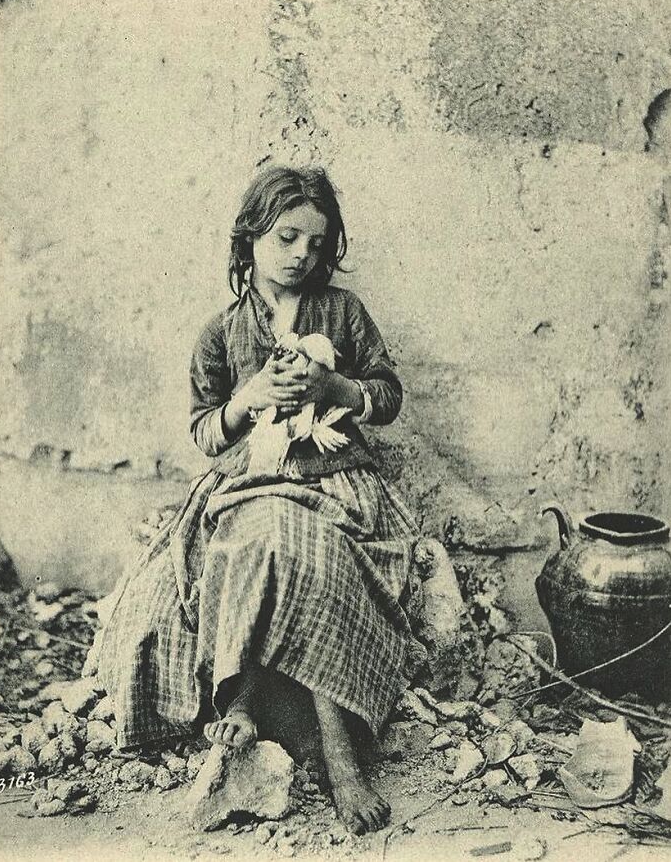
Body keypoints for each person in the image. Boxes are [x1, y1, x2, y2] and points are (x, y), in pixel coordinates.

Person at [89, 165, 422, 835]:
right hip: (248, 486)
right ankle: (238, 694)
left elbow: (387, 395)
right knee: (249, 540)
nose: (303, 253)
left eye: (317, 243)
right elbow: (206, 432)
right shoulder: (222, 332)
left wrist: (336, 388)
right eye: (286, 237)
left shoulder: (345, 314)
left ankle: (338, 753)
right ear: (250, 243)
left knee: (315, 557)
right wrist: (248, 400)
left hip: (333, 484)